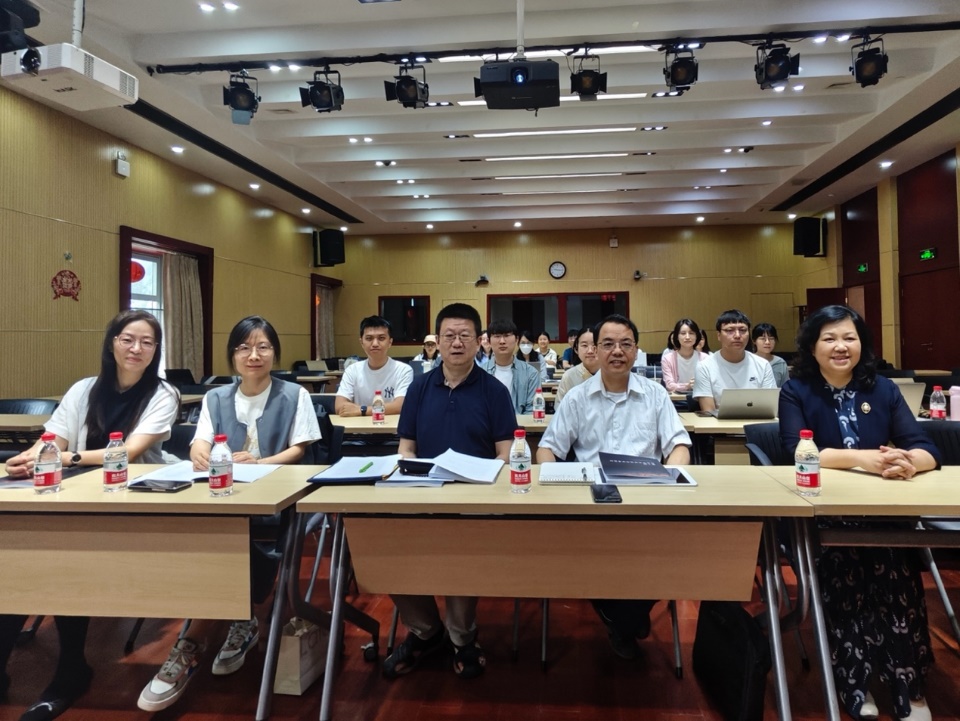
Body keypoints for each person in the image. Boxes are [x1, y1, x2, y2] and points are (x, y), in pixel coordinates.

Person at [1, 310, 179, 721]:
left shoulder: (163, 394)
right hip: (73, 495)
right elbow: (52, 439)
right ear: (112, 342)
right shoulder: (83, 389)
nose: (136, 348)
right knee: (14, 554)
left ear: (155, 350)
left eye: (147, 342)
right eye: (127, 339)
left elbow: (129, 452)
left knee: (63, 555)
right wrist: (28, 458)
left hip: (134, 501)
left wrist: (62, 458)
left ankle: (71, 670)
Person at [137, 316, 321, 712]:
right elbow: (199, 443)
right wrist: (199, 453)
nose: (254, 355)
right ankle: (236, 621)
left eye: (263, 347)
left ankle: (196, 640)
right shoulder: (216, 398)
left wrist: (260, 462)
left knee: (228, 549)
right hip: (221, 501)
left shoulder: (295, 395)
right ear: (232, 354)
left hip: (275, 503)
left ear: (275, 353)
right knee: (200, 543)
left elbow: (300, 450)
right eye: (244, 348)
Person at [779, 305, 939, 721]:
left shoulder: (882, 389)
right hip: (825, 511)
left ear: (862, 344)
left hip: (883, 510)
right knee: (845, 566)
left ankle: (908, 685)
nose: (840, 346)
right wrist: (863, 459)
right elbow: (797, 450)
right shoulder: (796, 390)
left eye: (849, 338)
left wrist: (909, 463)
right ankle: (856, 681)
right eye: (829, 338)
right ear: (812, 347)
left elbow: (925, 447)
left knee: (894, 568)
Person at [537, 314, 691, 659]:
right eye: (607, 344)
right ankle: (625, 617)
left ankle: (622, 617)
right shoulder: (577, 398)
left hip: (646, 498)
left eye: (625, 344)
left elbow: (679, 445)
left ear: (636, 351)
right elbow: (547, 449)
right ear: (594, 349)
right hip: (593, 502)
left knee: (673, 551)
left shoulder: (655, 394)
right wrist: (556, 481)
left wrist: (673, 477)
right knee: (594, 553)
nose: (617, 351)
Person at [386, 303, 516, 680]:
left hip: (475, 498)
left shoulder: (494, 391)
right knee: (379, 544)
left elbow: (505, 454)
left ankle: (462, 637)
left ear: (479, 342)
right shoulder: (419, 387)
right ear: (437, 341)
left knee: (461, 548)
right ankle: (426, 631)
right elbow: (406, 448)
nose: (457, 343)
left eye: (464, 336)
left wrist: (482, 484)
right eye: (449, 336)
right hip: (424, 492)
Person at [693, 309, 776, 411]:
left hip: (756, 420)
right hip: (718, 421)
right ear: (719, 335)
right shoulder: (704, 367)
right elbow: (709, 411)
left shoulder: (763, 365)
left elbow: (769, 408)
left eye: (743, 330)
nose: (737, 335)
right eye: (729, 330)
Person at [336, 315, 413, 417]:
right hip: (358, 426)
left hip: (391, 426)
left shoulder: (403, 370)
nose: (375, 344)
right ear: (361, 342)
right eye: (369, 338)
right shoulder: (352, 370)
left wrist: (362, 410)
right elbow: (339, 406)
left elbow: (400, 405)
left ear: (390, 342)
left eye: (381, 338)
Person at [484, 319, 540, 414]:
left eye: (507, 336)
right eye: (497, 336)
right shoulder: (480, 373)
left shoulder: (531, 373)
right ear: (489, 341)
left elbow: (532, 411)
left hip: (520, 423)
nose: (502, 341)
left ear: (516, 340)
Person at [660, 318, 709, 393]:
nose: (687, 337)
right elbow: (670, 386)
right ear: (677, 336)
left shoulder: (705, 358)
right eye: (683, 333)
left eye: (691, 333)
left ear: (696, 336)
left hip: (701, 397)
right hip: (677, 398)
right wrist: (688, 386)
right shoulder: (667, 359)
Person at [555, 327, 599, 405]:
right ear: (576, 349)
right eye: (584, 345)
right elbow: (560, 408)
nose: (590, 351)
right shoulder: (568, 376)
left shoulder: (611, 375)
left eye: (594, 345)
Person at [751, 322, 789, 387]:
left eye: (771, 338)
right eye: (763, 339)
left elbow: (785, 387)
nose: (767, 342)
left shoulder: (780, 363)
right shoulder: (748, 361)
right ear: (754, 341)